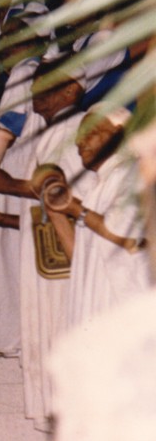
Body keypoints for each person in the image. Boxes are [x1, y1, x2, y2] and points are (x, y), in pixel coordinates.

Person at [0, 61, 95, 432]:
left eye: (49, 84)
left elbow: (69, 195)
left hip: (68, 267)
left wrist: (7, 185)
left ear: (71, 90)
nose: (38, 92)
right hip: (46, 263)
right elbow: (43, 212)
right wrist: (2, 219)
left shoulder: (77, 129)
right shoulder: (47, 132)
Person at [47, 103, 149, 326]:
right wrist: (56, 213)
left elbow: (124, 235)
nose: (80, 142)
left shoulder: (133, 174)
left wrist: (76, 209)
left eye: (91, 132)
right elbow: (81, 258)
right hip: (98, 310)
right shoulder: (99, 185)